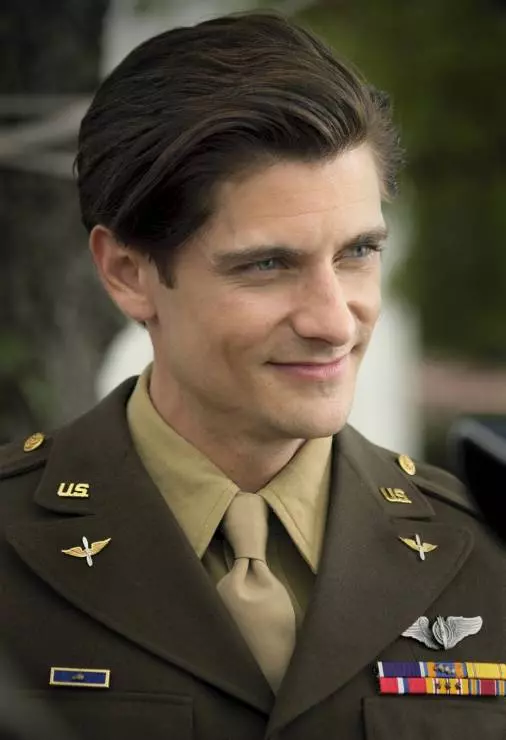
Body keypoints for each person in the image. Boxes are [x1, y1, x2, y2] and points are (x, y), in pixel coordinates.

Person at [1, 11, 506, 740]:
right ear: (128, 273)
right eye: (268, 264)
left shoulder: (487, 548)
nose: (334, 322)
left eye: (358, 253)